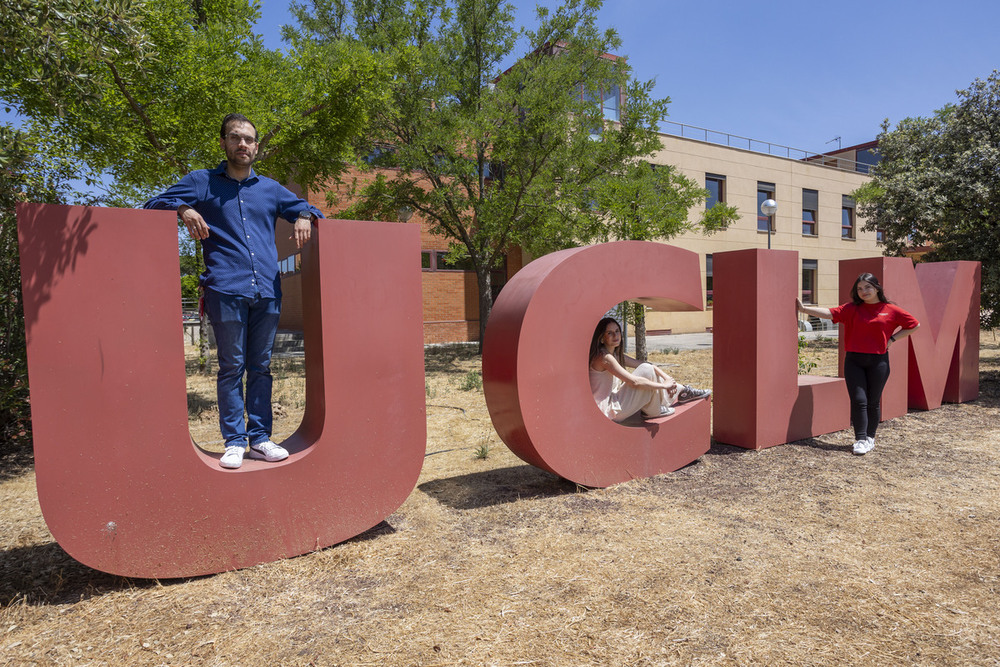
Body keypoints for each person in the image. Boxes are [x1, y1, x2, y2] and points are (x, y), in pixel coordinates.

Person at [145, 113, 324, 469]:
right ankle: (234, 441)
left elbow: (312, 209)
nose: (243, 144)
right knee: (231, 367)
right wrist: (183, 208)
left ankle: (260, 438)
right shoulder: (201, 183)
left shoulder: (270, 189)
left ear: (256, 147)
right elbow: (152, 204)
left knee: (260, 367)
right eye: (235, 137)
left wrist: (303, 213)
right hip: (225, 289)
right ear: (224, 142)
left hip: (268, 292)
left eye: (249, 139)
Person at [796, 272, 919, 455]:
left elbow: (914, 325)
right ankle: (861, 439)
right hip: (854, 361)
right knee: (859, 400)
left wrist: (892, 339)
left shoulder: (890, 309)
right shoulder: (851, 308)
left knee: (873, 401)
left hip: (879, 362)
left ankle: (870, 437)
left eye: (868, 287)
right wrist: (804, 309)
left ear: (877, 288)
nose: (864, 291)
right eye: (860, 289)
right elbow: (829, 313)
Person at [588, 317, 711, 422]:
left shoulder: (613, 354)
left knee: (647, 368)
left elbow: (645, 364)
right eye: (609, 333)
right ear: (601, 338)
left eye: (617, 331)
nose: (615, 336)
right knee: (646, 371)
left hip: (615, 402)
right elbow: (634, 382)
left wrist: (667, 379)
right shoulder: (604, 358)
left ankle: (682, 391)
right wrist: (664, 386)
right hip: (608, 411)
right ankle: (655, 409)